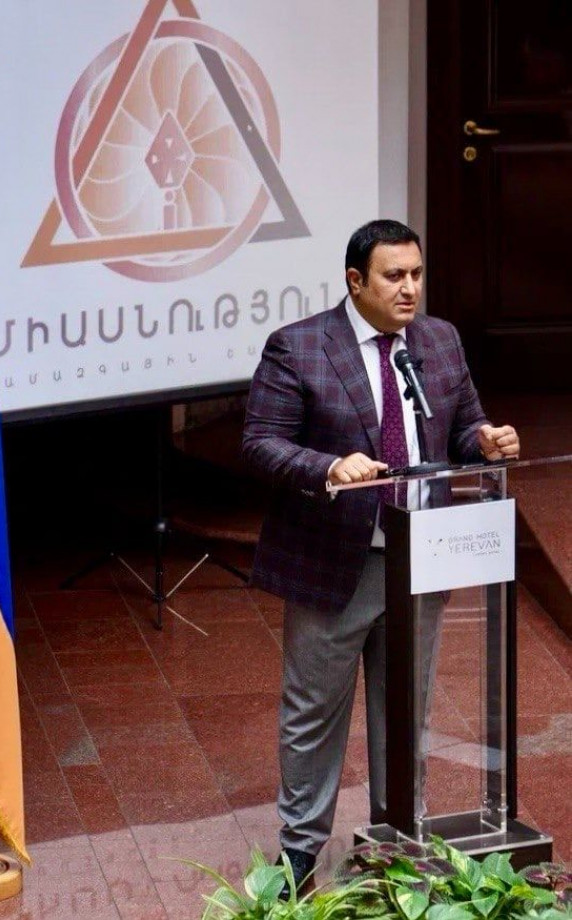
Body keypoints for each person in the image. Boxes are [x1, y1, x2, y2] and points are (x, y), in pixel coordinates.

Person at [242, 220, 519, 893]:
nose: (410, 289)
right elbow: (260, 443)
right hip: (336, 560)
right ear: (355, 281)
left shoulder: (439, 341)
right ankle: (300, 852)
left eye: (417, 274)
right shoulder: (300, 347)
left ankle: (397, 839)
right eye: (394, 276)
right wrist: (329, 466)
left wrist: (486, 439)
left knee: (405, 711)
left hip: (422, 557)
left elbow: (462, 425)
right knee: (314, 714)